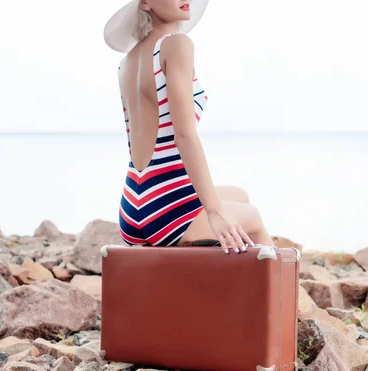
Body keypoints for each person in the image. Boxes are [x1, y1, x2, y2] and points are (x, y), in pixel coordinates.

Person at [103, 0, 274, 254]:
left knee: (240, 195)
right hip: (165, 212)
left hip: (132, 208)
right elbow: (184, 135)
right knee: (253, 218)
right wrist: (215, 213)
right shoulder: (176, 45)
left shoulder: (127, 62)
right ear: (145, 3)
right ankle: (287, 294)